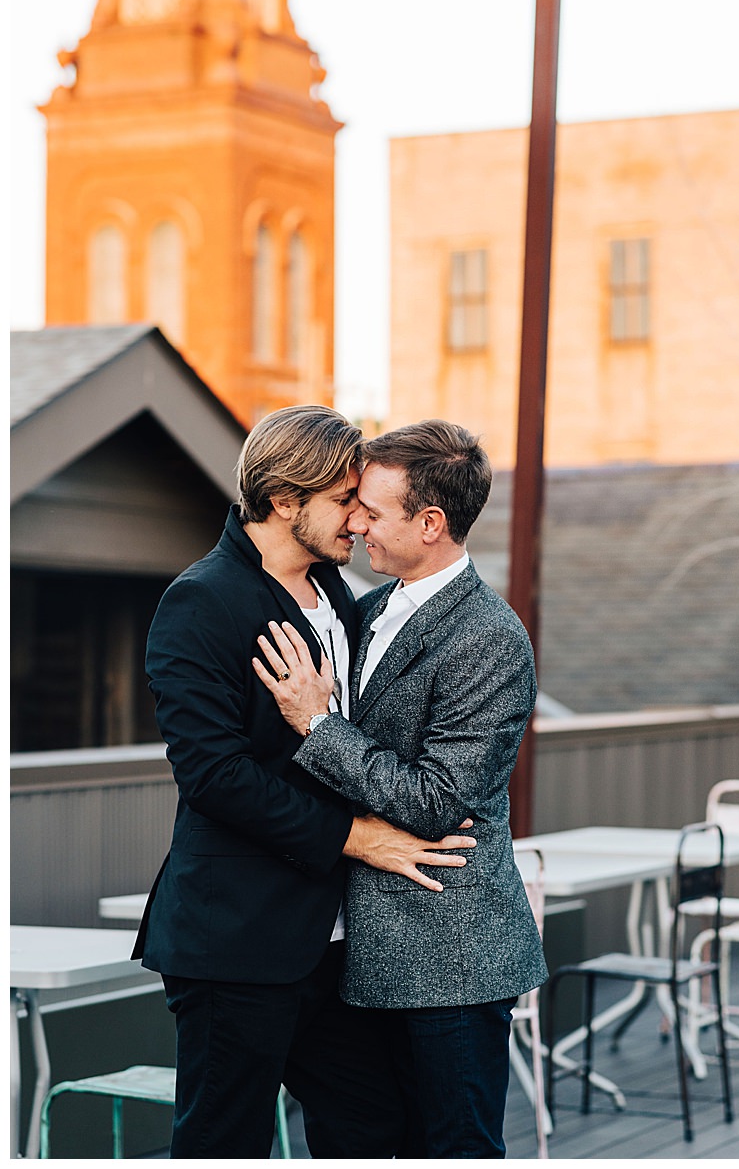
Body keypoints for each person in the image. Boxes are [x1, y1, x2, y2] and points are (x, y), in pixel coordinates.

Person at [131, 406, 476, 1159]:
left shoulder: (341, 597)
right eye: (343, 499)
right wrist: (359, 839)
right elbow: (213, 775)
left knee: (372, 1124)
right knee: (227, 1141)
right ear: (286, 499)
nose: (359, 517)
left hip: (335, 942)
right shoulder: (201, 601)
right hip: (238, 937)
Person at [254, 419, 548, 1159]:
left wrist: (317, 725)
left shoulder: (490, 637)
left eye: (372, 512)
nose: (354, 522)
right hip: (359, 951)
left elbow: (433, 800)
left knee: (452, 1148)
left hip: (451, 955)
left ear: (431, 523)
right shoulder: (371, 608)